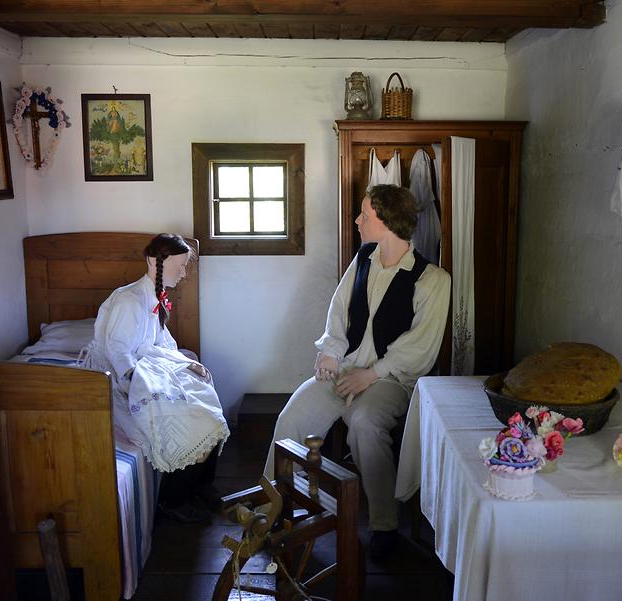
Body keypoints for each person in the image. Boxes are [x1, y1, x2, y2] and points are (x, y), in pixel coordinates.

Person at [265, 184, 451, 560]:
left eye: (365, 215)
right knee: (292, 417)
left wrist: (372, 374)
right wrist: (331, 355)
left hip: (390, 380)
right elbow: (339, 312)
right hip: (345, 368)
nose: (358, 220)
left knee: (365, 424)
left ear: (386, 221)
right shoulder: (362, 259)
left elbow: (421, 346)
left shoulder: (433, 279)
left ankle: (383, 525)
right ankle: (276, 504)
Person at [80, 233, 229, 523]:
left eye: (186, 266)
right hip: (125, 376)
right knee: (182, 413)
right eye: (180, 266)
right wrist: (137, 384)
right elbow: (117, 350)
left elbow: (163, 342)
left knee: (204, 391)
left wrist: (187, 364)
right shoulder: (128, 300)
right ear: (153, 261)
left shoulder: (154, 297)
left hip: (148, 363)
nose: (184, 273)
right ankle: (173, 499)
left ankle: (201, 484)